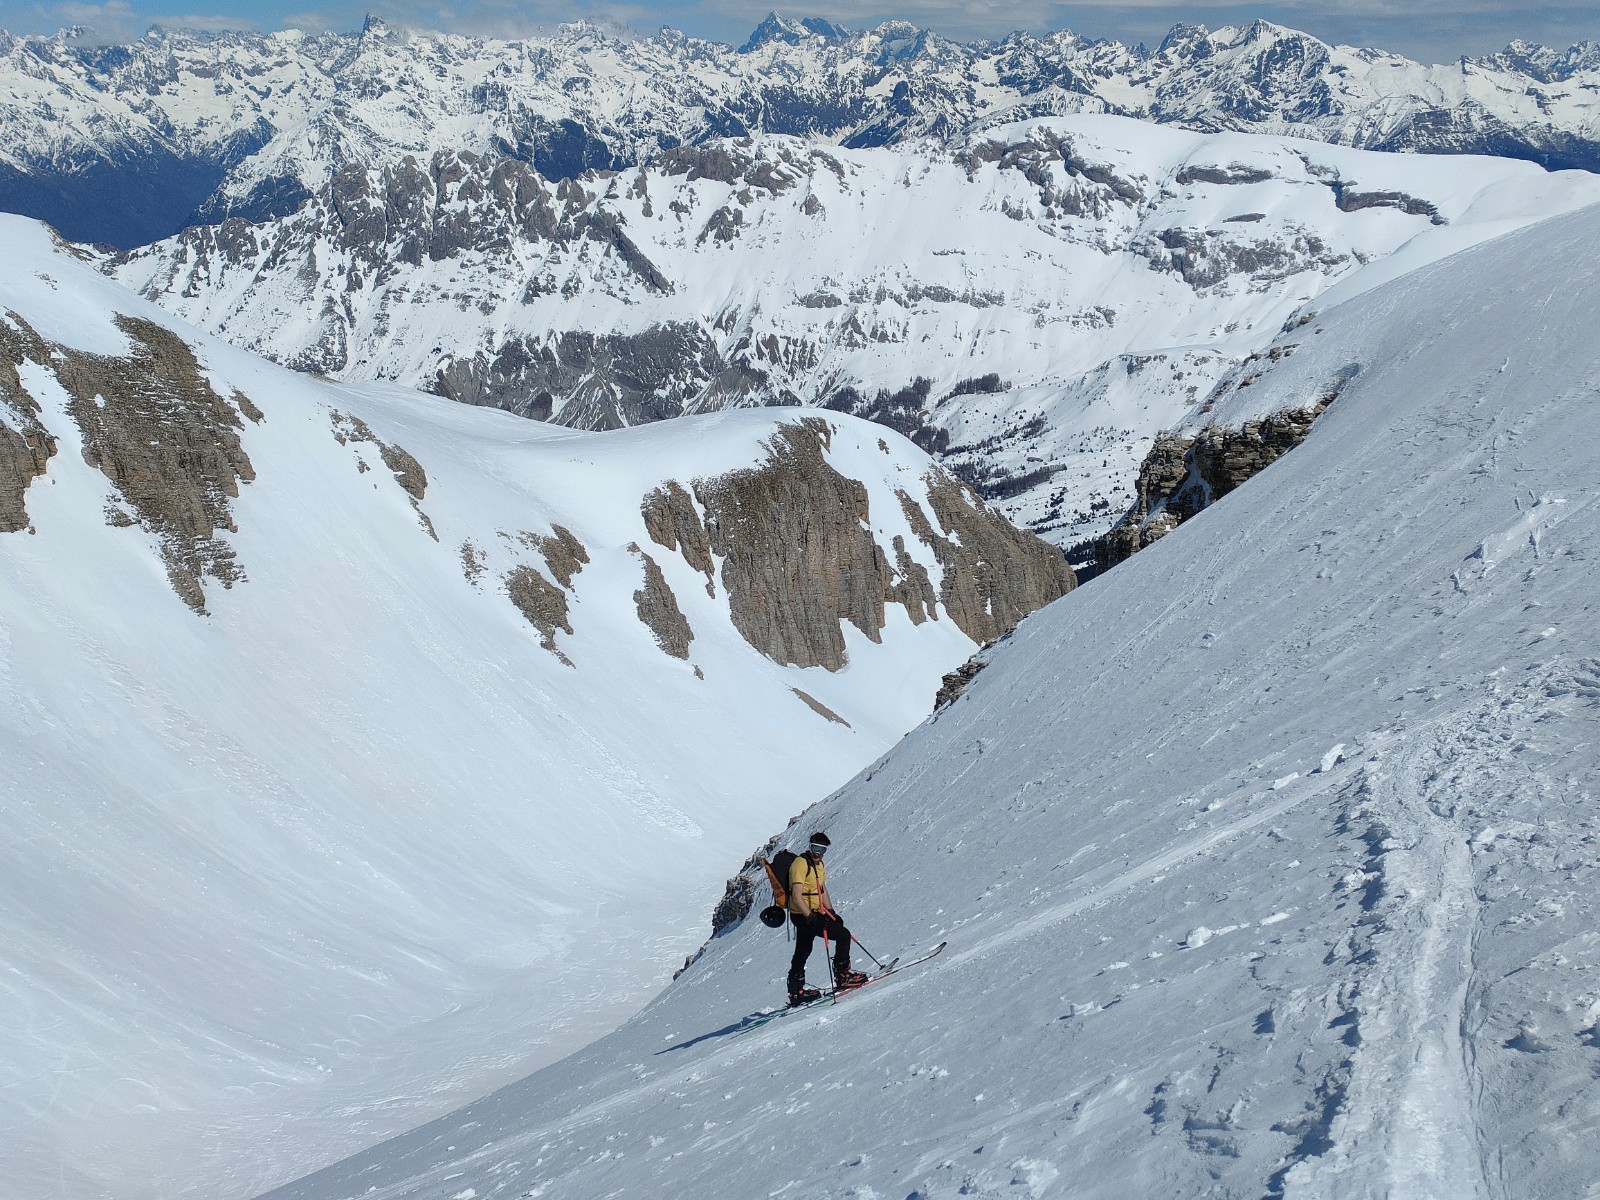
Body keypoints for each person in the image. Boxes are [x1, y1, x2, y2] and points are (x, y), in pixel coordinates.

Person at [787, 831, 867, 1005]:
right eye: (816, 848)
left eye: (822, 850)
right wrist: (811, 917)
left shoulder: (819, 865)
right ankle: (842, 977)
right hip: (803, 915)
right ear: (810, 846)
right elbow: (796, 895)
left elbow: (821, 890)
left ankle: (796, 991)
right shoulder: (800, 864)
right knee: (844, 936)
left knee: (803, 949)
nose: (818, 853)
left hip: (812, 913)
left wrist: (831, 912)